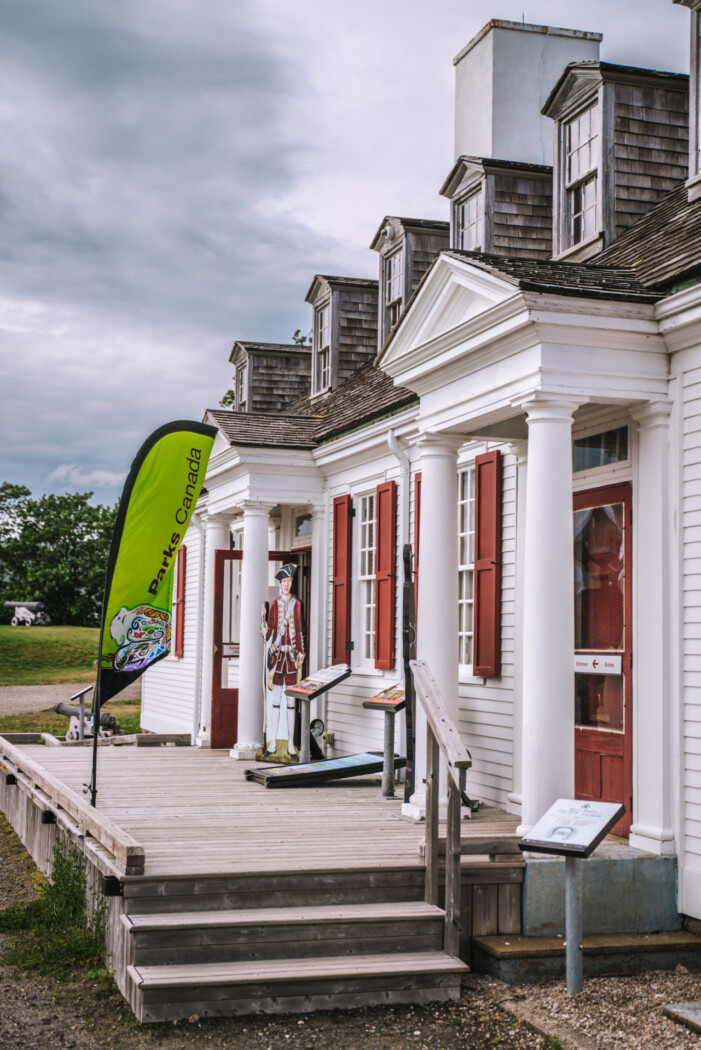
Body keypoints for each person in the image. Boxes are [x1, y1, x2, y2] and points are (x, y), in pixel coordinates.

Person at [260, 563, 305, 757]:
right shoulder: (276, 605)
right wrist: (262, 620)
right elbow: (269, 631)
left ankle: (290, 744)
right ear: (280, 584)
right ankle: (271, 743)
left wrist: (301, 651)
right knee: (276, 699)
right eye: (283, 582)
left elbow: (300, 629)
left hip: (292, 657)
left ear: (292, 583)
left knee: (292, 701)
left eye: (289, 581)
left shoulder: (297, 604)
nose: (286, 585)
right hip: (278, 658)